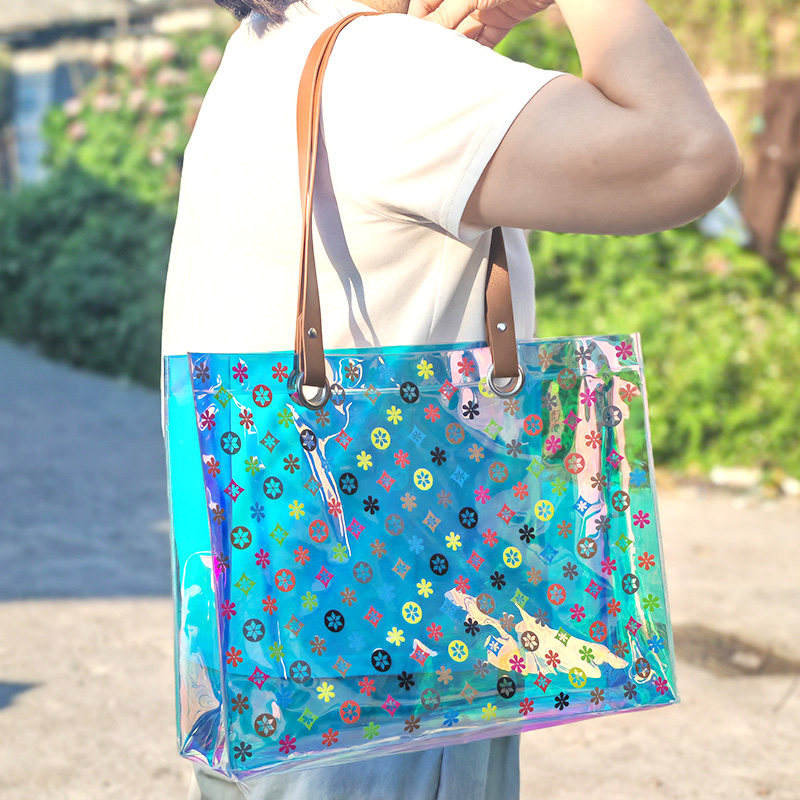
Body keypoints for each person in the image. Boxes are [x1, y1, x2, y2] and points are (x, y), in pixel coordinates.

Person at [160, 0, 740, 797]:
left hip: (268, 656)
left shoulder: (267, 52)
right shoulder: (394, 70)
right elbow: (688, 156)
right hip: (400, 674)